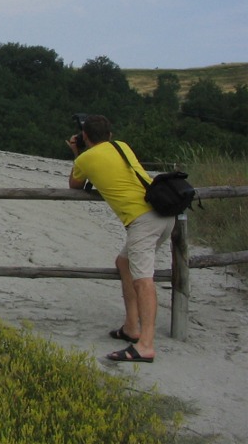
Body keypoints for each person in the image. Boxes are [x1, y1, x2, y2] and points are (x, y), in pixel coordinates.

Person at [68, 114, 175, 363]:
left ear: (84, 136)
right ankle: (131, 327)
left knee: (143, 280)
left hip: (143, 221)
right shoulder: (122, 146)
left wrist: (76, 151)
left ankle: (145, 345)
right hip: (162, 213)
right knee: (124, 263)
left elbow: (75, 184)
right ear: (110, 136)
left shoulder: (85, 158)